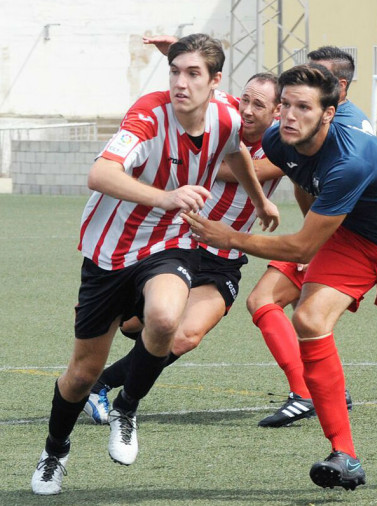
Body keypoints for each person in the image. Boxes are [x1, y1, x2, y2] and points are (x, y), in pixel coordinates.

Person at [182, 63, 377, 491]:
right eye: (285, 104)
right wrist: (309, 224)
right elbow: (303, 182)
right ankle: (345, 455)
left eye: (303, 107)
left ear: (328, 114)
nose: (288, 115)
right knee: (309, 319)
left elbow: (301, 247)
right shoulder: (277, 140)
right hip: (354, 236)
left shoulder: (350, 161)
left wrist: (232, 237)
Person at [31, 33, 278, 495]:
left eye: (192, 73)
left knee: (166, 319)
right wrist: (166, 197)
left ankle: (126, 407)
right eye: (174, 71)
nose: (180, 83)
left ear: (215, 81)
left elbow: (235, 151)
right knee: (82, 374)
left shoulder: (226, 115)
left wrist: (260, 199)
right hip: (109, 252)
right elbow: (100, 173)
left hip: (169, 244)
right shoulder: (148, 113)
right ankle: (55, 451)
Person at [83, 72, 286, 425]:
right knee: (137, 323)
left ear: (279, 111)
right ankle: (117, 329)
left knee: (187, 335)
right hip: (181, 243)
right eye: (245, 100)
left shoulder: (283, 145)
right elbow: (195, 88)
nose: (248, 110)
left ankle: (105, 386)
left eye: (259, 104)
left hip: (225, 257)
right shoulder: (221, 119)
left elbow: (247, 168)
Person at [247, 46, 368, 428]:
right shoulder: (313, 126)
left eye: (317, 76)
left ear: (339, 89)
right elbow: (303, 180)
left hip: (355, 242)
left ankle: (307, 394)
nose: (304, 85)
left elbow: (260, 170)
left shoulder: (341, 131)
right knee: (275, 305)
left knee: (269, 301)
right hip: (328, 234)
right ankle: (316, 393)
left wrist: (204, 162)